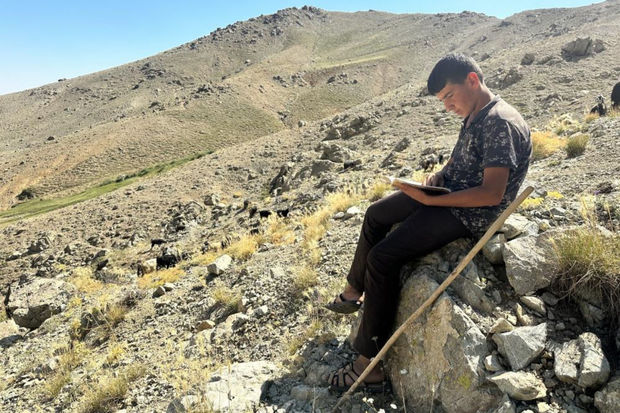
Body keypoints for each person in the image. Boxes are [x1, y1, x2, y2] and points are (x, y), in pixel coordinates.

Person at [325, 53, 532, 392]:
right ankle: (353, 292)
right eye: (442, 101)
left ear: (472, 80)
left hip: (468, 212)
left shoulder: (500, 122)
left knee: (383, 258)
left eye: (449, 96)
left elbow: (492, 193)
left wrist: (431, 201)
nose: (448, 106)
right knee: (375, 213)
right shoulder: (475, 112)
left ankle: (367, 365)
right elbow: (461, 157)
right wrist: (437, 177)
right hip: (447, 192)